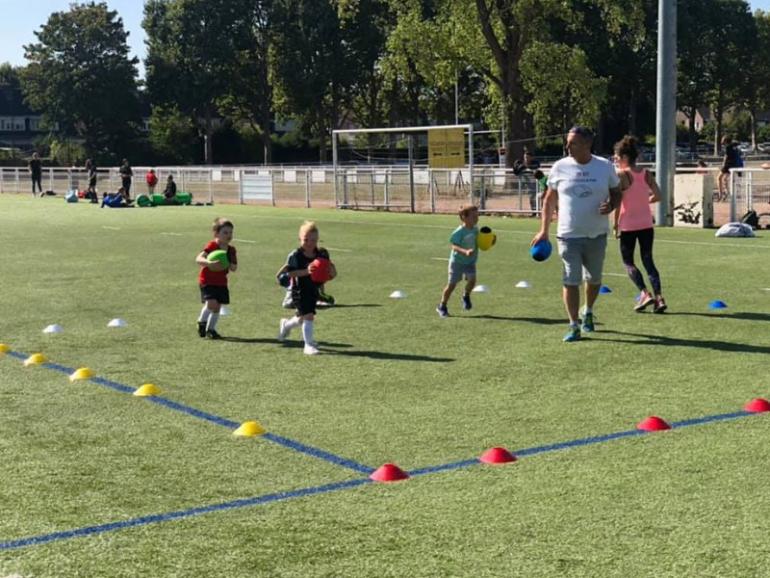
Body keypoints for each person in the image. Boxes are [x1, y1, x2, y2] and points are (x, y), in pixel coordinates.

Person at [530, 126, 622, 342]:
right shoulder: (560, 167)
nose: (568, 146)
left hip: (596, 233)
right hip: (568, 234)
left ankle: (588, 311)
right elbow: (549, 199)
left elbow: (617, 192)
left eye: (573, 143)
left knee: (594, 279)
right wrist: (544, 230)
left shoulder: (604, 166)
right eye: (568, 142)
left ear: (587, 144)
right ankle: (573, 325)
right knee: (570, 279)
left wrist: (611, 206)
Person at [612, 135, 667, 314]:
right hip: (646, 224)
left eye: (617, 157)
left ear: (625, 158)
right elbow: (658, 196)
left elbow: (618, 203)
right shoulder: (646, 174)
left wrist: (615, 225)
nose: (615, 160)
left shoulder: (622, 175)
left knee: (628, 262)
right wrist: (644, 201)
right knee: (648, 261)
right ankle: (659, 298)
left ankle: (644, 293)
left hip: (628, 225)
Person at [277, 221, 336, 355]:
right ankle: (308, 345)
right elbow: (289, 274)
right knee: (309, 316)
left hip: (313, 290)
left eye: (313, 240)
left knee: (302, 318)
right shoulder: (295, 255)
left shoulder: (321, 254)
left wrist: (330, 271)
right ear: (299, 239)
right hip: (299, 290)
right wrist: (306, 271)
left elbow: (331, 273)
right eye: (306, 240)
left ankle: (286, 325)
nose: (310, 243)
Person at [195, 218, 238, 339]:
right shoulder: (212, 245)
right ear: (216, 233)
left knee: (217, 307)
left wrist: (228, 263)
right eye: (225, 232)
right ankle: (201, 321)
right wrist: (209, 263)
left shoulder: (231, 250)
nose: (229, 235)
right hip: (207, 280)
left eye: (230, 232)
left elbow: (234, 268)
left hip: (221, 282)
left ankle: (211, 329)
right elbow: (198, 258)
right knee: (211, 303)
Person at [436, 204, 479, 318]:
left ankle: (466, 295)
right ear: (464, 217)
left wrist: (489, 241)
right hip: (457, 262)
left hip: (470, 262)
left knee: (472, 280)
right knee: (452, 285)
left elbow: (480, 242)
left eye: (477, 216)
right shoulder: (459, 231)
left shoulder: (476, 230)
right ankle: (442, 305)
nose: (476, 218)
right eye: (473, 216)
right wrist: (465, 251)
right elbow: (454, 246)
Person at [513, 149, 541, 215]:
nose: (526, 159)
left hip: (536, 183)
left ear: (531, 157)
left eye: (528, 157)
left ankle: (538, 212)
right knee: (531, 197)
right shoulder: (521, 163)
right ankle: (534, 212)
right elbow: (516, 171)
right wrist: (519, 166)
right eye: (525, 157)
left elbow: (536, 166)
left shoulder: (535, 162)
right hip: (528, 184)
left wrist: (525, 166)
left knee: (537, 197)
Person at [718, 136, 740, 202]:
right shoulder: (733, 146)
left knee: (719, 178)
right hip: (733, 164)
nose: (721, 140)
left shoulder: (727, 147)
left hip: (728, 164)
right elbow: (737, 143)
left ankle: (721, 194)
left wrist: (723, 165)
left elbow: (726, 157)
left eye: (723, 139)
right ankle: (727, 192)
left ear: (725, 141)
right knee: (725, 179)